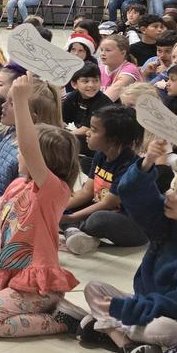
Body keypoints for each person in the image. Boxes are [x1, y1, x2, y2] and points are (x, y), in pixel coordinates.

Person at [0, 74, 85, 338]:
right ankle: (10, 299)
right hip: (5, 271)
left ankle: (65, 320)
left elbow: (30, 148)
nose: (18, 150)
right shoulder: (18, 185)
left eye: (22, 149)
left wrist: (20, 101)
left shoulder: (53, 191)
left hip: (37, 283)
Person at [79, 138, 177, 353]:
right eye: (171, 187)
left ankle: (113, 330)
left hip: (176, 319)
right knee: (94, 289)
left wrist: (124, 309)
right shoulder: (169, 223)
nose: (168, 195)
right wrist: (147, 162)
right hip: (146, 306)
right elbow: (132, 194)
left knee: (163, 328)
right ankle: (129, 346)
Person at [61, 105, 146, 255]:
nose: (87, 132)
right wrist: (56, 208)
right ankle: (75, 231)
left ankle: (73, 228)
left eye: (94, 130)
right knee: (60, 201)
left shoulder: (129, 166)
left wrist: (69, 217)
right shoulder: (101, 154)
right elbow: (87, 191)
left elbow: (108, 204)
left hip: (130, 224)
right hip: (101, 205)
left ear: (113, 139)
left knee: (97, 219)